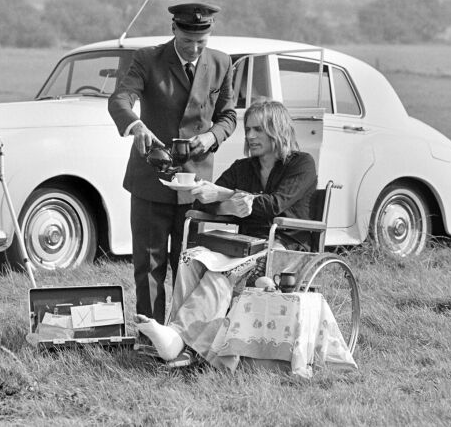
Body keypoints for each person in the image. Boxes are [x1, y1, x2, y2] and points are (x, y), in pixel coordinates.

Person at [134, 100, 317, 368]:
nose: (251, 136)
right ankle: (183, 342)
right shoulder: (244, 168)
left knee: (220, 276)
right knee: (191, 260)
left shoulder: (301, 164)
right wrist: (221, 198)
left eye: (258, 130)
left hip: (283, 247)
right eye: (248, 130)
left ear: (277, 130)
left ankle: (180, 343)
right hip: (243, 246)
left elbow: (274, 205)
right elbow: (206, 200)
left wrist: (227, 196)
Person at [108, 3, 237, 324]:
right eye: (187, 41)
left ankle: (184, 335)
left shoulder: (222, 63)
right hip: (151, 180)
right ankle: (150, 334)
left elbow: (228, 116)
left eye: (201, 42)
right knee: (149, 265)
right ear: (174, 30)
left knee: (189, 265)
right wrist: (135, 126)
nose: (194, 49)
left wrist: (211, 137)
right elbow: (120, 99)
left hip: (195, 186)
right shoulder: (147, 59)